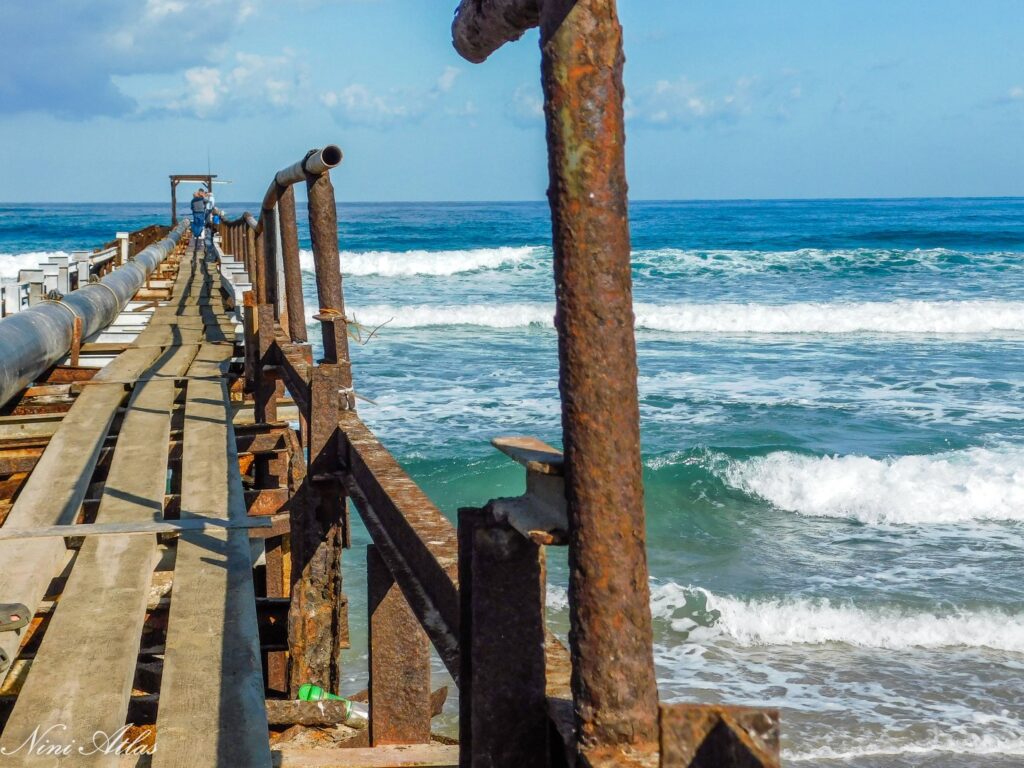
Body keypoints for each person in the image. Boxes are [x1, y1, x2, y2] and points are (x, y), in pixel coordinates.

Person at [190, 189, 207, 258]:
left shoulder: (193, 200)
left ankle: (196, 234)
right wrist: (203, 196)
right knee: (201, 224)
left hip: (195, 213)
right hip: (201, 213)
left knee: (197, 224)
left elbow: (191, 207)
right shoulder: (201, 199)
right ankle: (199, 235)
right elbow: (207, 202)